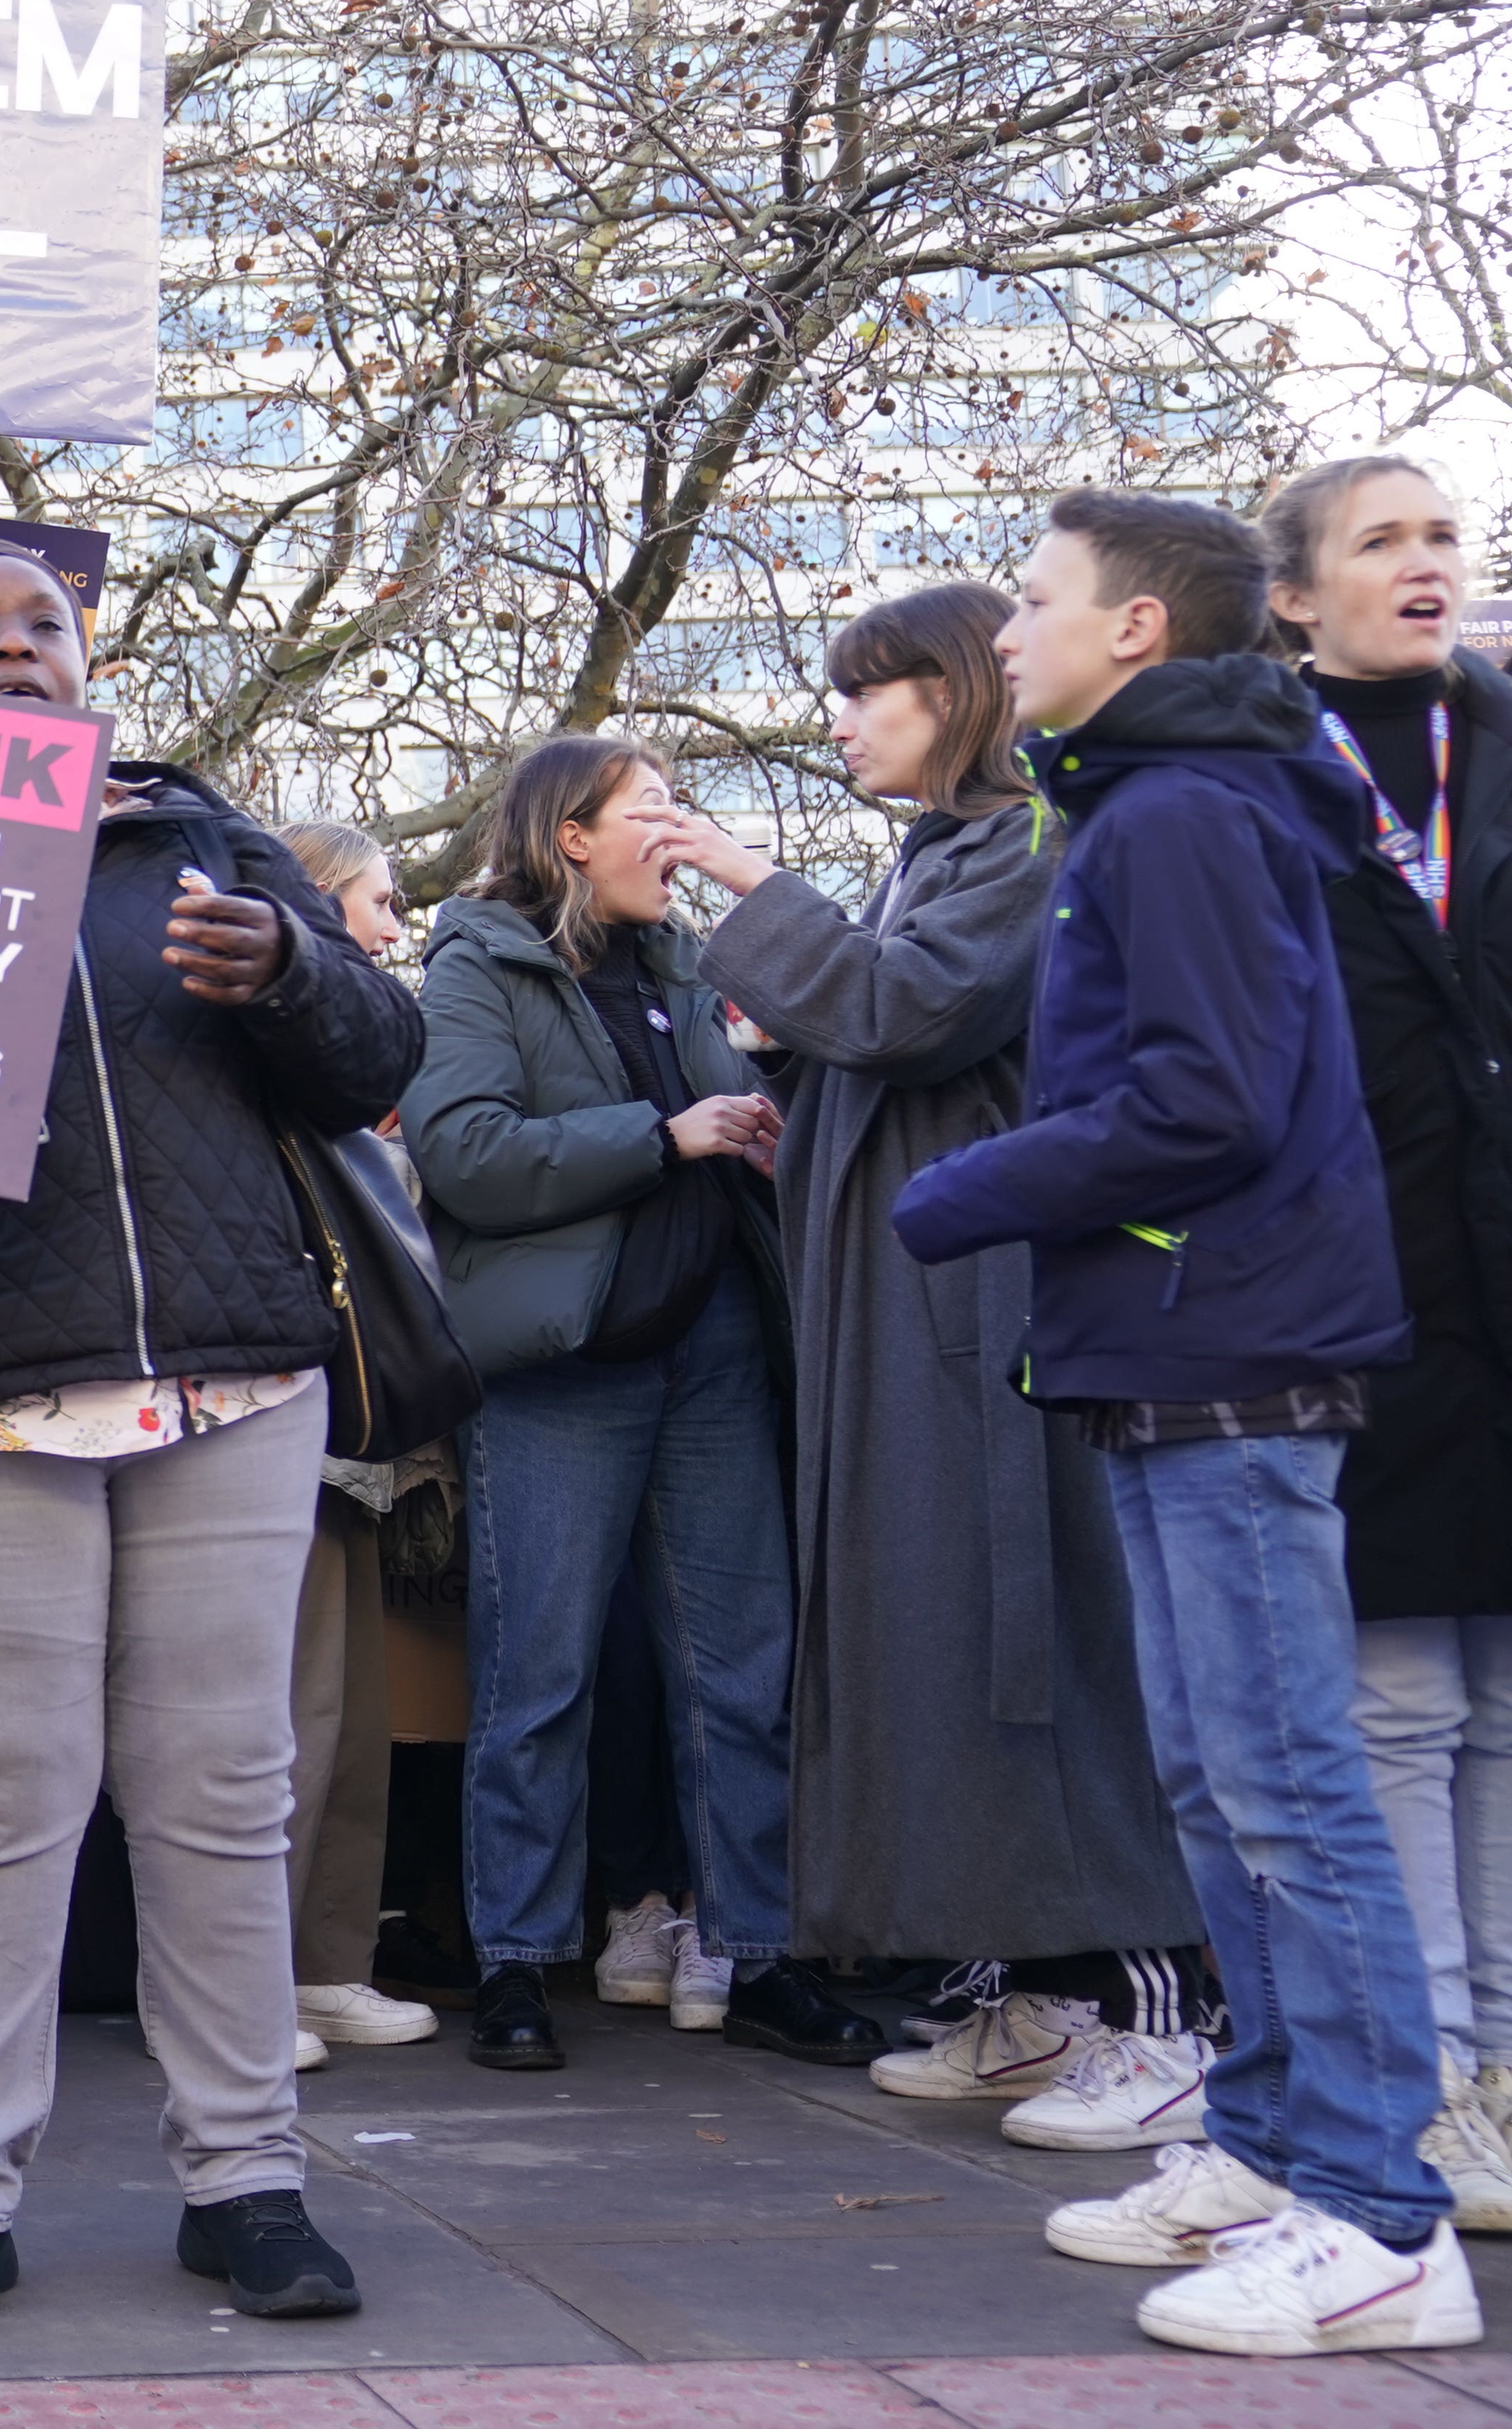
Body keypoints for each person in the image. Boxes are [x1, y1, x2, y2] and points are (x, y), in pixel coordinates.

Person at [0, 543, 417, 2341]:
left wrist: (286, 963)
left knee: (220, 1785)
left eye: (41, 624)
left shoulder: (205, 836)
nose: (14, 648)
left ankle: (248, 2176)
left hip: (229, 1379)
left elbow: (375, 1056)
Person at [897, 489, 1460, 2360]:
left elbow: (1204, 1101)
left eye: (1038, 599)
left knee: (1292, 1788)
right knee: (1228, 1787)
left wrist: (964, 1187)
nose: (1008, 633)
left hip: (1235, 1344)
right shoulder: (1145, 805)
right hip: (1171, 1346)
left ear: (1137, 630)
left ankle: (1382, 2214)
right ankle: (1274, 2144)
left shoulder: (1189, 813)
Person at [645, 593, 1210, 2145]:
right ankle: (1026, 1995)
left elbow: (905, 1010)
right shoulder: (949, 857)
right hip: (917, 1321)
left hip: (997, 1322)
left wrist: (751, 880)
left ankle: (1153, 2011)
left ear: (950, 695)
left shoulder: (1037, 838)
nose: (840, 717)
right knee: (943, 1650)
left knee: (1035, 1649)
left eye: (868, 691)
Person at [407, 737, 885, 2074]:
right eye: (653, 811)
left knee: (744, 1674)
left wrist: (761, 1129)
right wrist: (664, 1137)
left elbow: (737, 1112)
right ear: (571, 835)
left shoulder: (683, 961)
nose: (678, 833)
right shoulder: (475, 964)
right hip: (567, 1366)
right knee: (537, 1676)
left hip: (715, 1349)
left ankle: (761, 1958)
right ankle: (514, 1964)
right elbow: (464, 1155)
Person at [1252, 457, 1512, 2228]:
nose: (1425, 565)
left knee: (1503, 1699)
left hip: (1505, 1268)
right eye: (1382, 542)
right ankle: (1426, 2089)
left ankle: (1501, 2063)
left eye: (1442, 535)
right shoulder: (1254, 774)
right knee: (1400, 1696)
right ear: (1292, 597)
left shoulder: (1498, 738)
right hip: (1369, 1281)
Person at [262, 821, 439, 2056]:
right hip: (283, 1390)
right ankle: (237, 1979)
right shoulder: (269, 1020)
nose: (392, 930)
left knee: (350, 1705)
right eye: (376, 904)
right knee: (281, 1709)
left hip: (357, 1413)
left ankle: (327, 1957)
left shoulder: (356, 1036)